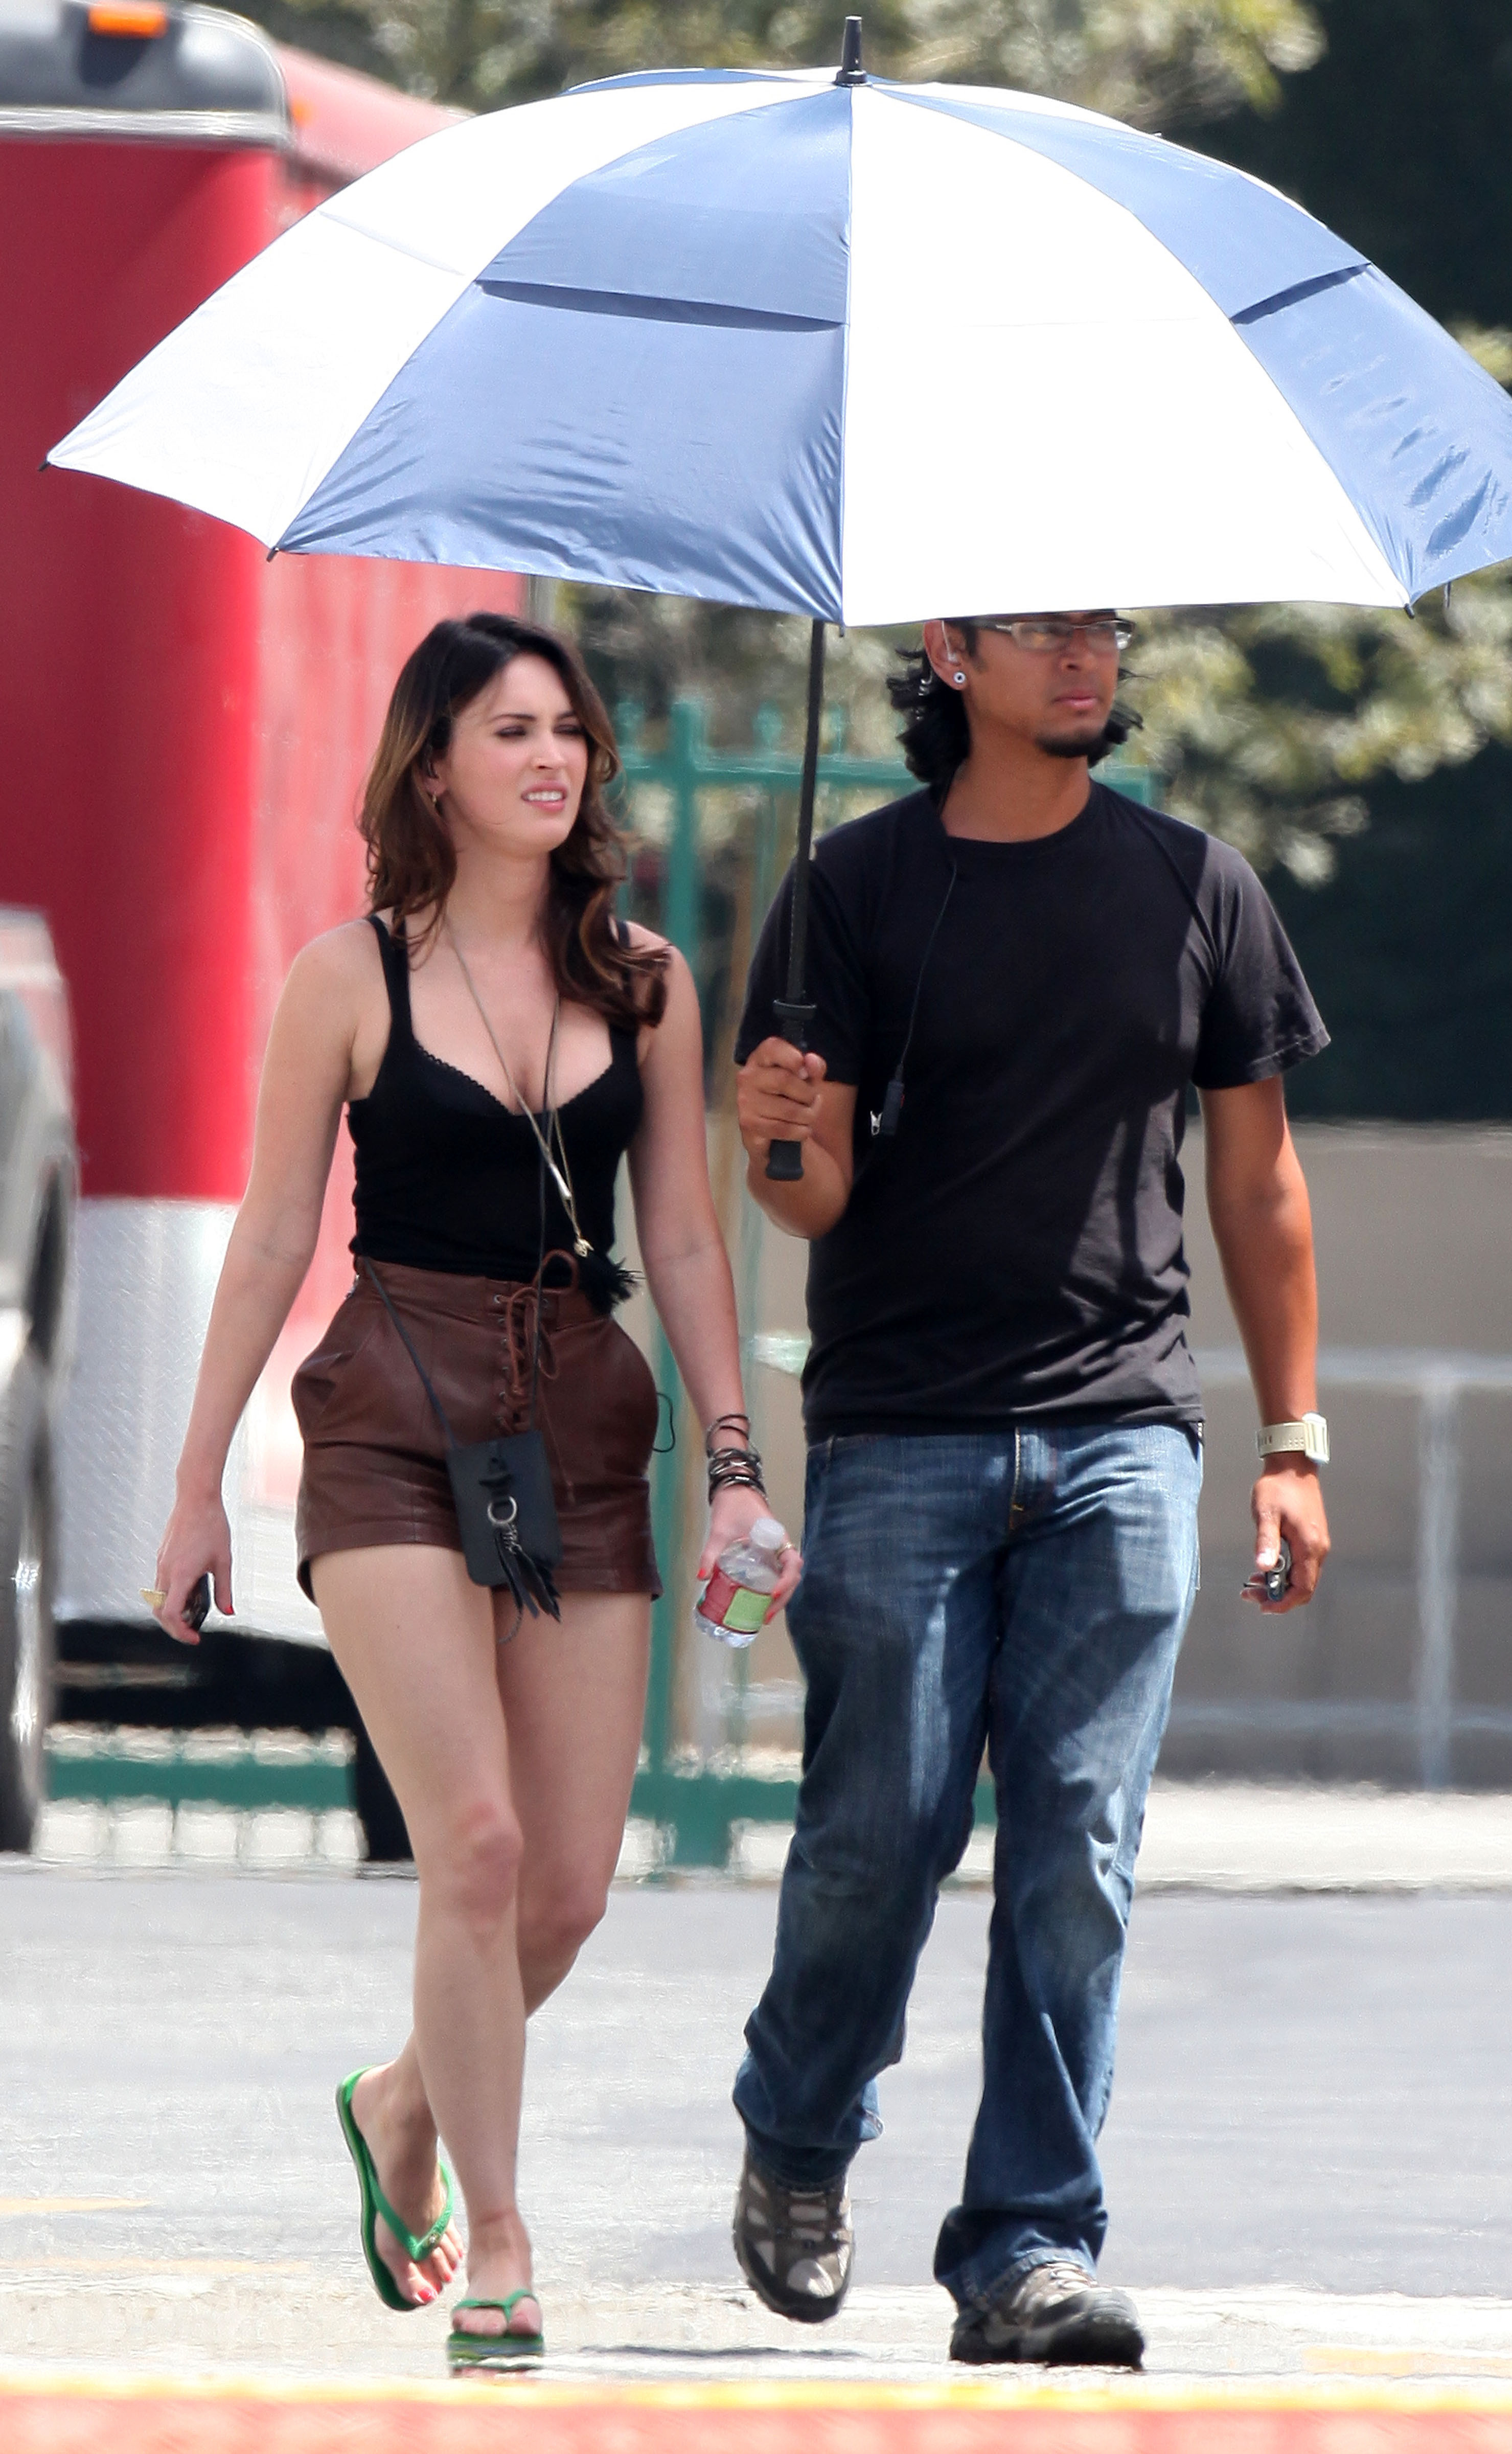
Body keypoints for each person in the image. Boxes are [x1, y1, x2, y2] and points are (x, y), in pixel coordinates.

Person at [149, 610, 796, 2367]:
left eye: (567, 729)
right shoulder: (347, 976)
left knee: (567, 1888)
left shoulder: (644, 979)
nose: (552, 757)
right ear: (431, 765)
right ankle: (499, 2239)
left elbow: (683, 1238)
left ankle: (400, 2103)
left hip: (574, 1423)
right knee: (480, 1846)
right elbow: (272, 1233)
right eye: (511, 730)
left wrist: (737, 1468)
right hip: (392, 1414)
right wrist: (197, 1484)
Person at [729, 610, 1331, 2369]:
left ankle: (1030, 2244)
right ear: (949, 651)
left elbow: (1260, 1188)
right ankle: (801, 2129)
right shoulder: (849, 889)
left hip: (1124, 1433)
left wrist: (1293, 1439)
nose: (1087, 656)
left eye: (1104, 627)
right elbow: (808, 1196)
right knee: (879, 1832)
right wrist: (776, 1124)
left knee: (1081, 1849)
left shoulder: (1200, 888)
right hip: (900, 1428)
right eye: (1047, 627)